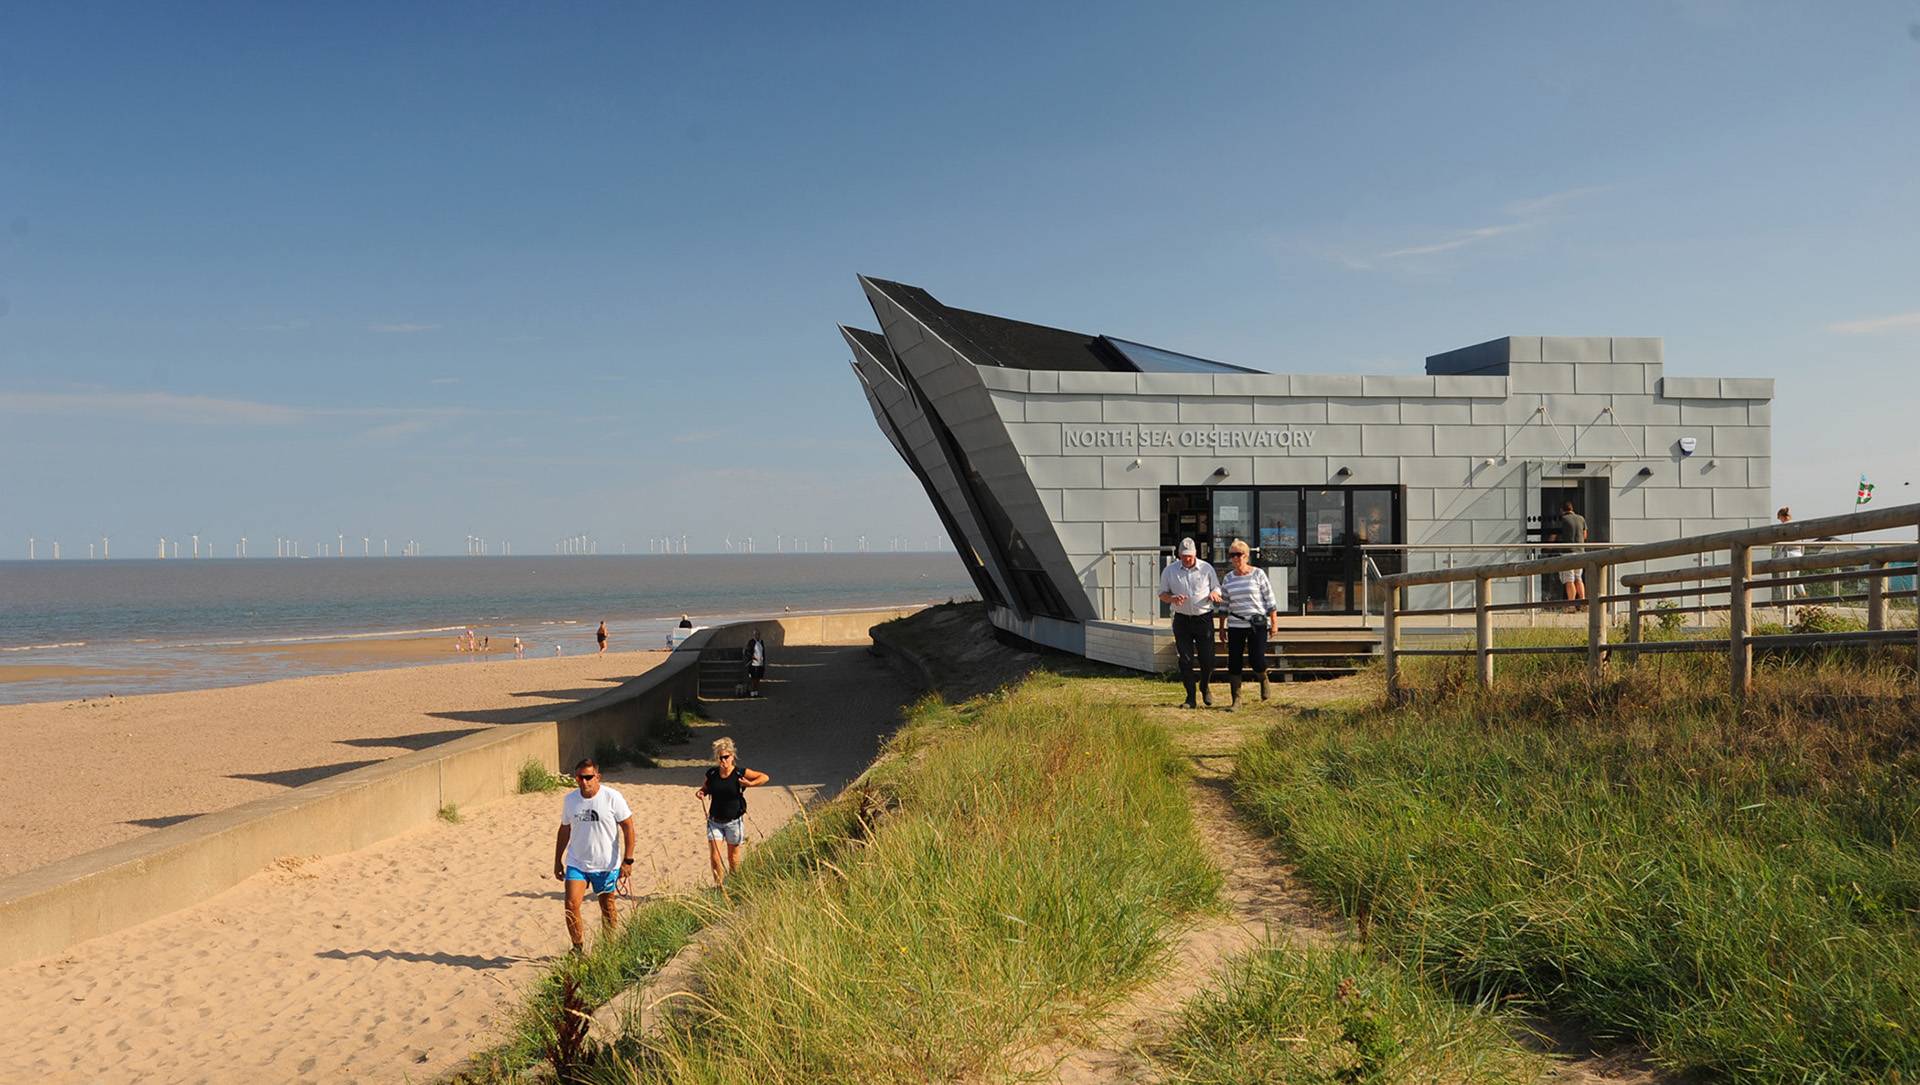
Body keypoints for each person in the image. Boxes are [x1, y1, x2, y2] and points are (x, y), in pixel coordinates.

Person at [552, 758, 635, 954]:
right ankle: (578, 948)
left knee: (607, 906)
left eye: (589, 777)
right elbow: (564, 829)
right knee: (571, 904)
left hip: (606, 864)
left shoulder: (612, 797)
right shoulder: (570, 800)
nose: (584, 782)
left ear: (598, 777)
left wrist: (628, 860)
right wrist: (557, 860)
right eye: (580, 777)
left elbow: (628, 827)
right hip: (577, 862)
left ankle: (608, 945)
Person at [1158, 537, 1223, 708]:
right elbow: (1162, 594)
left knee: (1207, 659)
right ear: (1179, 555)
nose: (1187, 559)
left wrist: (1215, 594)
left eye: (1190, 556)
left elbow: (1216, 587)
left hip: (1203, 618)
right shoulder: (1170, 571)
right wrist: (1172, 598)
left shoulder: (1206, 568)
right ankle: (1190, 697)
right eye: (1184, 556)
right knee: (1185, 660)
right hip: (1182, 619)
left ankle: (1204, 686)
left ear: (1195, 554)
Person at [694, 738, 769, 886]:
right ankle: (719, 887)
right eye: (720, 757)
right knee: (715, 856)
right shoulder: (712, 773)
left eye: (726, 757)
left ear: (732, 756)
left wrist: (750, 784)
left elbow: (764, 777)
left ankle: (735, 885)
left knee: (733, 858)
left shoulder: (740, 773)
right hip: (714, 821)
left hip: (734, 822)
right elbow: (705, 788)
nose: (723, 760)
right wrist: (701, 792)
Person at [1220, 539, 1280, 709]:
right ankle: (1236, 699)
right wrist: (1222, 627)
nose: (1235, 558)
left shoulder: (1258, 574)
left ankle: (1263, 678)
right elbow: (1224, 605)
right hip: (1236, 625)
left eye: (1238, 555)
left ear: (1246, 556)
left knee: (1257, 659)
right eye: (1232, 555)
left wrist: (1274, 622)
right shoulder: (1228, 578)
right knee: (1234, 662)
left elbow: (1270, 600)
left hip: (1256, 623)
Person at [1557, 501, 1589, 611]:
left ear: (1562, 510)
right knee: (1578, 578)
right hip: (1580, 552)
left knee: (1569, 579)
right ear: (1572, 508)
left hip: (1568, 552)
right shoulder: (1581, 518)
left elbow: (1554, 535)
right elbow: (1584, 535)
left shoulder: (1563, 520)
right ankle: (1583, 602)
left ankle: (1571, 604)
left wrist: (1547, 546)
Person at [744, 629, 767, 698]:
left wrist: (763, 661)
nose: (758, 635)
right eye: (756, 634)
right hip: (754, 664)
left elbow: (763, 652)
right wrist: (753, 658)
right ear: (754, 635)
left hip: (760, 663)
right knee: (754, 679)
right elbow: (747, 652)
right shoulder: (751, 642)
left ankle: (756, 693)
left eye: (758, 634)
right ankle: (752, 693)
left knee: (758, 679)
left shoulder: (761, 642)